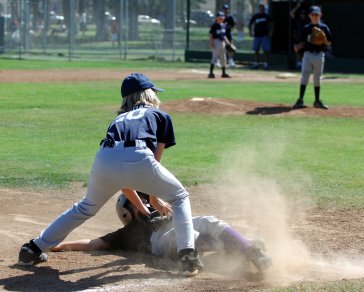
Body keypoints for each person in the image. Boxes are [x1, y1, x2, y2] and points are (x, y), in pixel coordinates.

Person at [18, 73, 203, 277]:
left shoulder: (118, 120)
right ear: (148, 95)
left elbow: (122, 177)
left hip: (104, 158)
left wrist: (148, 201)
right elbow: (153, 164)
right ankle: (187, 256)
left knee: (85, 207)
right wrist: (153, 197)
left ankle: (32, 249)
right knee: (179, 197)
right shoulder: (159, 115)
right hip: (139, 154)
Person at [51, 192, 272, 273]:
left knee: (207, 220)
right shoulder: (127, 233)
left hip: (177, 225)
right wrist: (62, 244)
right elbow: (92, 243)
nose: (145, 203)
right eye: (139, 202)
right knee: (182, 234)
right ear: (128, 212)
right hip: (162, 241)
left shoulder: (160, 211)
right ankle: (237, 250)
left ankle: (251, 251)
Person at [292, 6, 333, 110]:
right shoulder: (306, 28)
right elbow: (302, 42)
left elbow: (329, 43)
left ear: (320, 15)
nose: (315, 16)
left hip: (319, 55)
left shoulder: (324, 28)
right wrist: (298, 46)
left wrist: (324, 39)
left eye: (317, 14)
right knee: (304, 76)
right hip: (308, 54)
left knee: (317, 78)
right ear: (310, 16)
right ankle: (300, 99)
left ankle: (317, 101)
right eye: (313, 14)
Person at [249, 3, 273, 70]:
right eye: (260, 7)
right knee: (256, 50)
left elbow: (271, 23)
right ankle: (256, 63)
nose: (262, 9)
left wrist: (271, 31)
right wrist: (250, 31)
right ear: (259, 8)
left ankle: (266, 64)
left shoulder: (266, 16)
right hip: (257, 36)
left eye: (263, 8)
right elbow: (250, 23)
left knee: (266, 50)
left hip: (265, 35)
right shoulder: (256, 16)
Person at [208, 11, 232, 79]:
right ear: (217, 18)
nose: (221, 18)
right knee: (215, 57)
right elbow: (211, 34)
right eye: (219, 17)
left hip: (222, 42)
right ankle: (211, 73)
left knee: (223, 58)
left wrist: (228, 42)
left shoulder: (224, 25)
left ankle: (223, 73)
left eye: (222, 17)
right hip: (216, 41)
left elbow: (224, 35)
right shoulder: (214, 25)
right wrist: (211, 43)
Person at [290, 1, 309, 69]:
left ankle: (304, 64)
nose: (303, 15)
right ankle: (298, 64)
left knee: (305, 53)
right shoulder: (297, 20)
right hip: (298, 38)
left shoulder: (308, 21)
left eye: (304, 14)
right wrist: (297, 7)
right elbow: (291, 13)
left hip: (305, 40)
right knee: (297, 51)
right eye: (301, 14)